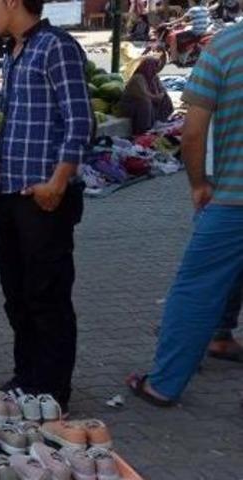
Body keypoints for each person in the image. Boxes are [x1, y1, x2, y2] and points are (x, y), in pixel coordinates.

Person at [0, 0, 93, 413]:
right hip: (8, 193)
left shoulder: (55, 46)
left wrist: (58, 181)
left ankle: (51, 392)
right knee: (18, 295)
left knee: (47, 296)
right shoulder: (13, 52)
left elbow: (79, 119)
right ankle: (26, 377)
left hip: (45, 198)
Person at [128, 22, 243, 407]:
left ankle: (163, 384)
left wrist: (197, 184)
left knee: (195, 289)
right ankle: (220, 337)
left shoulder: (225, 48)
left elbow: (192, 132)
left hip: (233, 197)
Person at [120, 55, 173, 135]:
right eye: (153, 67)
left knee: (166, 98)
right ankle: (143, 130)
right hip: (132, 105)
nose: (155, 70)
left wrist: (161, 94)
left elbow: (162, 90)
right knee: (145, 102)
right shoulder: (138, 78)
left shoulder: (154, 77)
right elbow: (144, 94)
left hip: (149, 100)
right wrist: (156, 97)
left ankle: (160, 120)